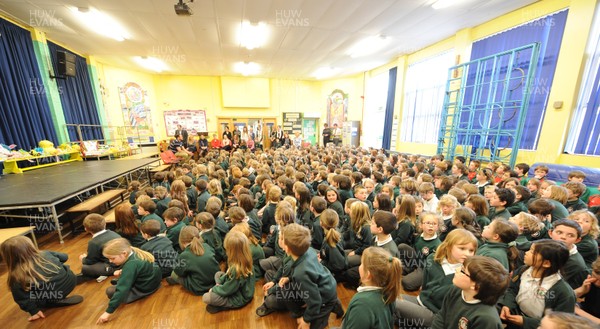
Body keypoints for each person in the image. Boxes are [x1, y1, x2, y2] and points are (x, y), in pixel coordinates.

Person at [255, 224, 342, 328]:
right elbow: (307, 271)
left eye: (281, 237)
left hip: (324, 297)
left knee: (312, 326)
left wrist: (306, 320)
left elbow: (315, 302)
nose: (279, 237)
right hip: (323, 282)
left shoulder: (301, 273)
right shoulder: (308, 250)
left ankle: (332, 305)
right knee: (285, 289)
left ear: (287, 248)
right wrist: (288, 278)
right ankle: (316, 307)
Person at [394, 229, 478, 327]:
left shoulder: (465, 275)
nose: (467, 254)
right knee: (386, 298)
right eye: (462, 248)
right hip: (421, 300)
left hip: (436, 314)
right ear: (448, 246)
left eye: (471, 250)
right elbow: (425, 284)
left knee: (394, 303)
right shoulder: (432, 259)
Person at [2, 236, 83, 322]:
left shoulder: (16, 276)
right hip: (71, 281)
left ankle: (54, 301)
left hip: (52, 296)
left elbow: (22, 298)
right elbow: (64, 257)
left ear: (8, 256)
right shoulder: (45, 253)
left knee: (28, 292)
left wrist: (34, 311)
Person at [499, 239, 576, 329]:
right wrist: (508, 305)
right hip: (516, 318)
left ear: (546, 263)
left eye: (532, 252)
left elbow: (560, 323)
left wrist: (526, 322)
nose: (526, 253)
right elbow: (512, 289)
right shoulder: (523, 270)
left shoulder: (563, 292)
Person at [432, 256, 510, 329]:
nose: (457, 269)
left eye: (462, 270)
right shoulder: (456, 290)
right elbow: (442, 316)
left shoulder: (486, 319)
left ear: (476, 286)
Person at [96, 238, 162, 324]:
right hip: (154, 283)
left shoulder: (131, 264)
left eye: (112, 258)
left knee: (110, 291)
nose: (110, 261)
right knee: (117, 282)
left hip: (145, 289)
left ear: (124, 253)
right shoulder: (136, 253)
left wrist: (108, 312)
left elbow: (122, 289)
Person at [341, 247, 403, 329]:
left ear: (368, 275)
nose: (359, 266)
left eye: (362, 263)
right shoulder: (389, 290)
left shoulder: (362, 304)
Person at [202, 231, 256, 314]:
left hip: (239, 298)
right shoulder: (246, 259)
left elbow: (228, 290)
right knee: (218, 274)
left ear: (231, 251)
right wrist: (220, 284)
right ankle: (219, 291)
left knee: (206, 298)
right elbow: (228, 275)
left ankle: (225, 305)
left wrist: (214, 289)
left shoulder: (236, 269)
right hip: (242, 290)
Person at [166, 226, 220, 295]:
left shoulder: (184, 255)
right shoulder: (206, 246)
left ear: (182, 240)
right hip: (214, 282)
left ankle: (176, 281)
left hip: (199, 287)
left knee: (174, 274)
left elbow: (179, 272)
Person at [78, 213, 121, 282]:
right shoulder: (113, 233)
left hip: (113, 265)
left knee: (85, 267)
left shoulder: (94, 242)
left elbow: (90, 261)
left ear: (86, 229)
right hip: (122, 261)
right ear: (105, 224)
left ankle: (109, 272)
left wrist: (83, 259)